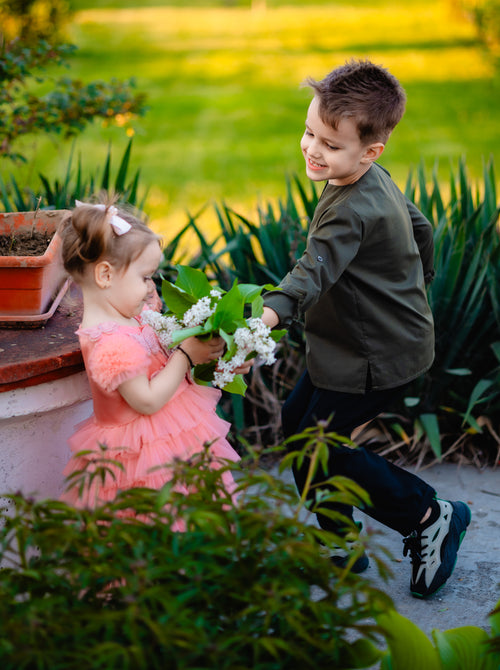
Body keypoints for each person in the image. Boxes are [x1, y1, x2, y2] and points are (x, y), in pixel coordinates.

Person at [261, 59, 471, 598]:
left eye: (329, 144)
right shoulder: (371, 178)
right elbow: (420, 227)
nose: (312, 149)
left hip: (375, 358)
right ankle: (339, 542)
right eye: (310, 132)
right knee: (297, 425)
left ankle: (428, 514)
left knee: (318, 448)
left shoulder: (348, 208)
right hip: (362, 344)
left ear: (370, 151)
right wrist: (414, 285)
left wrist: (269, 314)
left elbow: (314, 268)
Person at [58, 199, 241, 515]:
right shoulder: (109, 342)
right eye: (145, 277)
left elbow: (161, 361)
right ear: (105, 275)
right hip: (140, 463)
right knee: (158, 527)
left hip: (172, 442)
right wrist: (184, 354)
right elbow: (146, 400)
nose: (151, 287)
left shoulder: (133, 316)